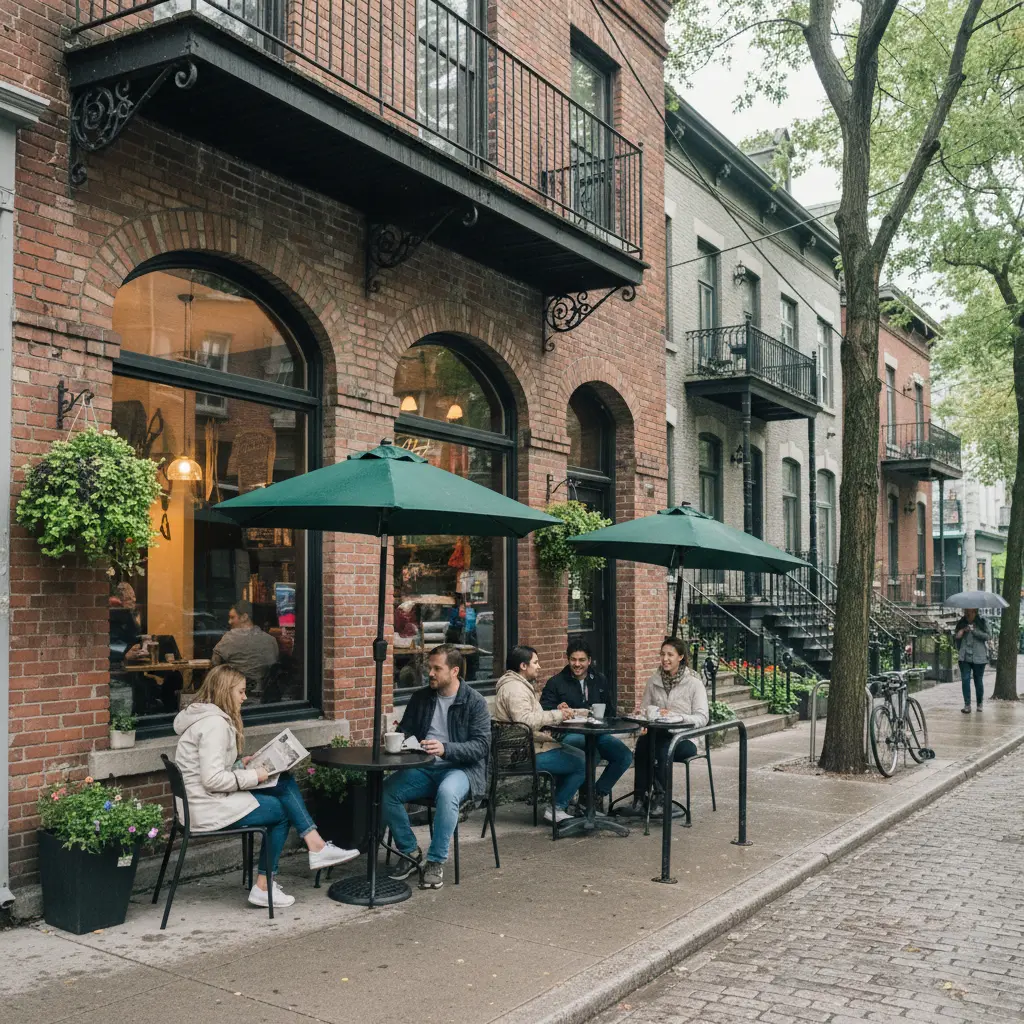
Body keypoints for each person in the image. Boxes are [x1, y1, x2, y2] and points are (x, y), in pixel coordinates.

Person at [172, 664, 358, 909]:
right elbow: (212, 780)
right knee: (279, 814)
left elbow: (209, 770)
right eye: (240, 692)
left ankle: (316, 845)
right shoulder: (214, 725)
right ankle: (264, 886)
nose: (245, 697)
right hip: (206, 807)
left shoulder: (206, 718)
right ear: (226, 691)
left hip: (203, 801)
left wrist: (241, 764)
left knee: (283, 779)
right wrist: (255, 776)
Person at [384, 643, 491, 890]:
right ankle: (410, 852)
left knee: (447, 793)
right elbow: (405, 731)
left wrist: (446, 748)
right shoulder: (421, 698)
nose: (430, 673)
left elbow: (482, 746)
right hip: (424, 766)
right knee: (387, 790)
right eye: (428, 667)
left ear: (454, 671)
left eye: (436, 668)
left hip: (461, 768)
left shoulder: (474, 702)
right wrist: (395, 740)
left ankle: (435, 861)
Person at [494, 645, 587, 824]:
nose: (539, 666)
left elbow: (530, 718)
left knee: (577, 754)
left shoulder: (518, 686)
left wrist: (556, 713)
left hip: (525, 748)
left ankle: (561, 806)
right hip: (520, 755)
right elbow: (526, 721)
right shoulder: (515, 689)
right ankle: (557, 808)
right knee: (582, 762)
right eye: (535, 662)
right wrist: (556, 715)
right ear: (523, 666)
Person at [540, 639, 632, 812]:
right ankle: (575, 798)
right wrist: (557, 709)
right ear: (568, 659)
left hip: (598, 733)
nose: (577, 664)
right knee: (590, 752)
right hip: (569, 734)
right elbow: (544, 711)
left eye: (582, 660)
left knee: (624, 756)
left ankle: (595, 795)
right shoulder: (556, 682)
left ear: (589, 661)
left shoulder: (599, 680)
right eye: (573, 660)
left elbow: (610, 712)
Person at [632, 637, 709, 813]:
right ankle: (640, 797)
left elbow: (702, 717)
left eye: (670, 655)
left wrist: (676, 717)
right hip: (658, 733)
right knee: (643, 745)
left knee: (662, 749)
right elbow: (645, 710)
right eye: (662, 654)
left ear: (680, 657)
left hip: (686, 738)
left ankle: (662, 798)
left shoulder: (694, 683)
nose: (665, 659)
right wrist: (644, 713)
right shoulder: (654, 681)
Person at [212, 600, 280, 696]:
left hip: (235, 694)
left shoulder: (230, 638)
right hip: (264, 695)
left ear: (244, 617)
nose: (229, 621)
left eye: (232, 617)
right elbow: (274, 665)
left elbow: (215, 664)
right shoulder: (271, 640)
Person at [954, 608, 990, 714]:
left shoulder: (982, 622)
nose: (966, 615)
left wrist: (975, 631)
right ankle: (967, 705)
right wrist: (962, 631)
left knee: (978, 680)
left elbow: (988, 636)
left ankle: (979, 703)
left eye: (968, 613)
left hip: (979, 656)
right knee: (965, 679)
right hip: (964, 656)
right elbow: (956, 636)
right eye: (965, 612)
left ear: (974, 612)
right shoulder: (962, 622)